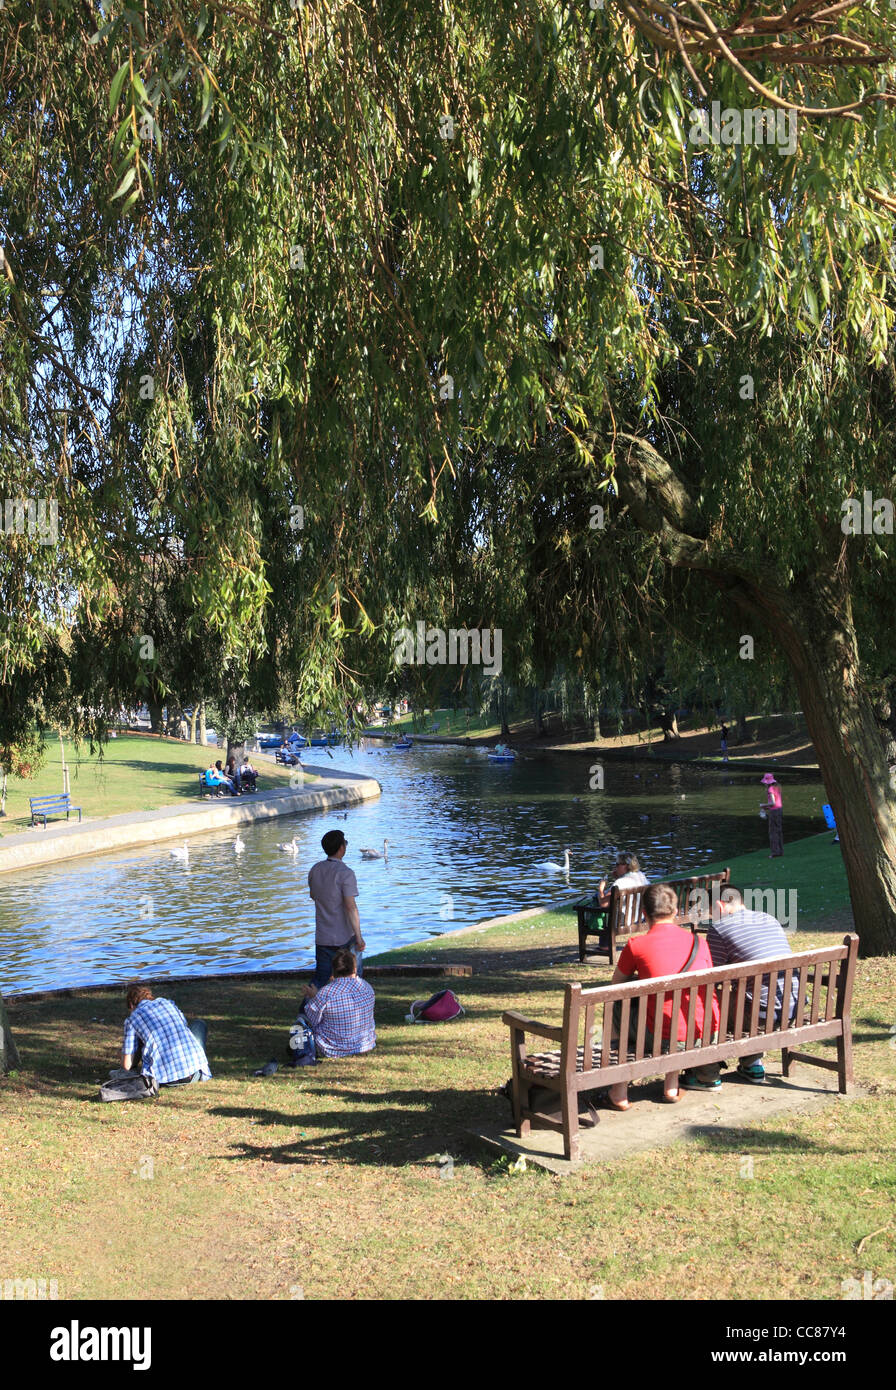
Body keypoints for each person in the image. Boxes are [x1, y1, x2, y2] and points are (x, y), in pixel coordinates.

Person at [607, 882, 721, 1109]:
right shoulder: (699, 942)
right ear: (676, 911)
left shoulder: (636, 945)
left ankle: (619, 1089)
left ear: (643, 914)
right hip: (704, 1032)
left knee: (617, 1004)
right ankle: (671, 1084)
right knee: (675, 1012)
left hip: (665, 1036)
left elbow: (615, 985)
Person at [707, 885, 799, 1083]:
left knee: (707, 1000)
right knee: (750, 991)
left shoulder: (719, 928)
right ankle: (752, 1063)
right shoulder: (769, 918)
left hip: (762, 1013)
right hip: (794, 1005)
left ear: (719, 905)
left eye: (710, 911)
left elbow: (710, 977)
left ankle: (706, 1069)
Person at [308, 829, 365, 989]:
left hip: (323, 935)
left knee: (320, 979)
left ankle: (306, 1011)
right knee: (354, 977)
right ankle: (354, 1009)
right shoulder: (346, 873)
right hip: (344, 937)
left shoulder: (315, 869)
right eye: (345, 843)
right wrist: (359, 937)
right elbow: (350, 907)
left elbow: (314, 895)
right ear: (342, 848)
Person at [120, 984, 211, 1086]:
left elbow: (126, 1065)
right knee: (198, 1024)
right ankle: (197, 1061)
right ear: (149, 997)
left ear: (131, 1005)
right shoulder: (167, 1003)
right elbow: (184, 1025)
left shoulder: (132, 1019)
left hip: (163, 1079)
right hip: (194, 1074)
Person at [300, 949, 375, 1058]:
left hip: (331, 1049)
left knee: (302, 1020)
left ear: (333, 971)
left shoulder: (326, 993)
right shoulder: (367, 987)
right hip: (365, 1045)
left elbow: (313, 1020)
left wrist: (313, 998)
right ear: (354, 969)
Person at [760, 772, 784, 857]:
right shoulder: (777, 787)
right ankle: (780, 851)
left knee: (773, 832)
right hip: (779, 810)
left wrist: (763, 805)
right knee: (779, 831)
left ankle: (775, 853)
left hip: (774, 812)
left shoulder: (770, 789)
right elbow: (776, 802)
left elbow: (773, 803)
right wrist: (766, 807)